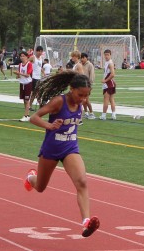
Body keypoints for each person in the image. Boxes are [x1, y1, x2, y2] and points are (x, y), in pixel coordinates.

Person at [23, 72, 100, 238]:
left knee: (82, 182)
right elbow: (34, 118)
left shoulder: (81, 103)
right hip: (51, 149)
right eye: (80, 95)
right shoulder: (59, 101)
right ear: (71, 89)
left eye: (86, 95)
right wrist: (49, 125)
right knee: (40, 187)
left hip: (70, 148)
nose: (83, 99)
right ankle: (30, 177)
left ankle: (86, 222)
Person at [77, 52, 96, 119]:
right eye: (81, 58)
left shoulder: (90, 65)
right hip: (81, 85)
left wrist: (90, 85)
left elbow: (92, 75)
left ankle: (91, 113)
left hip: (87, 85)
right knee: (83, 100)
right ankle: (86, 113)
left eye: (83, 58)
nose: (82, 59)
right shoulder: (80, 64)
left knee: (87, 100)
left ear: (86, 58)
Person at [16, 50, 34, 121]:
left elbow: (27, 75)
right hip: (22, 83)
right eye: (21, 56)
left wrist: (19, 73)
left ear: (27, 57)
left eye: (23, 56)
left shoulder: (29, 64)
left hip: (28, 83)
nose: (22, 57)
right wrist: (17, 74)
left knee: (27, 100)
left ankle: (25, 115)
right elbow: (18, 76)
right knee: (24, 100)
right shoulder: (20, 65)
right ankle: (27, 115)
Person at [100, 48, 117, 120]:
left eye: (108, 55)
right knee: (111, 99)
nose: (106, 56)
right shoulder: (107, 62)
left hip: (108, 84)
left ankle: (104, 115)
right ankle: (113, 114)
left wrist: (105, 80)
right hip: (109, 83)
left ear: (110, 55)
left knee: (106, 99)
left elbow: (112, 74)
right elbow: (109, 74)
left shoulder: (110, 63)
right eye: (105, 55)